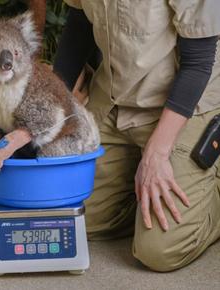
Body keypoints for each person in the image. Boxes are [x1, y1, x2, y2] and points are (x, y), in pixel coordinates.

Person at [53, 0, 220, 272]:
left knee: (160, 250)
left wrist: (157, 154)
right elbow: (78, 26)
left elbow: (199, 62)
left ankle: (206, 189)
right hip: (115, 98)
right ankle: (139, 181)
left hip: (184, 104)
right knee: (73, 219)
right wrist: (46, 116)